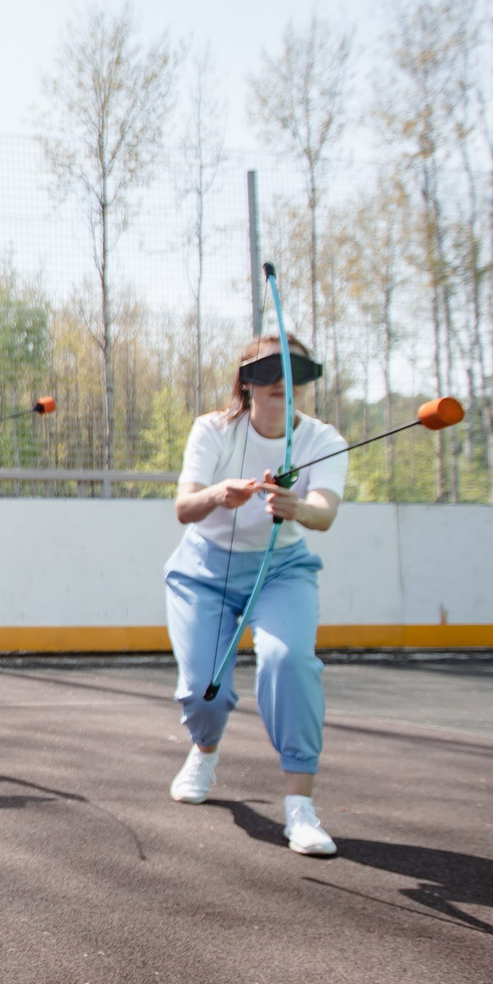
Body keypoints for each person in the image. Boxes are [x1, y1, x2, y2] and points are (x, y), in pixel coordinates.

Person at [164, 332, 348, 857]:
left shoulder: (324, 439)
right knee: (206, 688)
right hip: (204, 570)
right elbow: (184, 507)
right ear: (247, 383)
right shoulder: (213, 430)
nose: (280, 387)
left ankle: (300, 807)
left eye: (292, 377)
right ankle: (204, 749)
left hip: (281, 569)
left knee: (289, 662)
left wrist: (296, 507)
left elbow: (325, 512)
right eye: (268, 375)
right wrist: (219, 495)